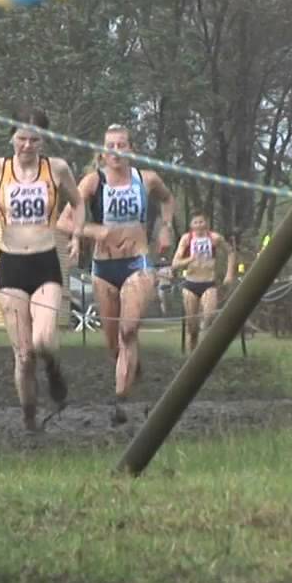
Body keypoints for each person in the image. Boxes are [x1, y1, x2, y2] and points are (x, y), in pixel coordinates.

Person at [59, 124, 176, 425]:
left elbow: (167, 200)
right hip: (103, 268)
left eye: (121, 145)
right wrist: (94, 231)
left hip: (137, 263)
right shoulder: (92, 183)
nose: (115, 151)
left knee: (128, 330)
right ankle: (129, 369)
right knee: (113, 343)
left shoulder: (146, 179)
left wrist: (165, 226)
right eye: (110, 145)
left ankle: (119, 403)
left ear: (130, 150)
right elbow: (64, 221)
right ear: (103, 151)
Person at [0, 109, 84, 430]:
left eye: (34, 139)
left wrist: (76, 236)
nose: (27, 145)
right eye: (21, 138)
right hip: (10, 266)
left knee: (44, 341)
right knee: (23, 356)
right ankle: (29, 419)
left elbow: (78, 203)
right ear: (11, 138)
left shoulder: (57, 169)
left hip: (45, 261)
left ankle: (53, 368)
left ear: (44, 140)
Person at [171, 212, 236, 354]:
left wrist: (229, 274)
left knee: (209, 316)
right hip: (190, 283)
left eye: (202, 222)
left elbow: (230, 252)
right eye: (196, 222)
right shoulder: (186, 239)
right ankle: (190, 358)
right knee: (192, 328)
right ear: (191, 225)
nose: (199, 225)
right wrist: (190, 259)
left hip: (209, 283)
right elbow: (175, 264)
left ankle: (205, 348)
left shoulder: (215, 238)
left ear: (207, 223)